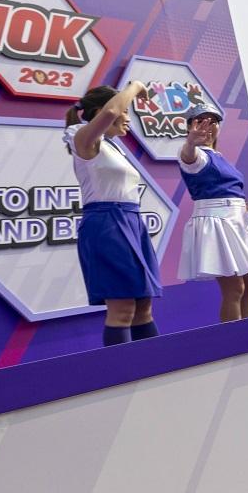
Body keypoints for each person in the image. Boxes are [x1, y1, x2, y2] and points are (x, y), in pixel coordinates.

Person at [65, 82, 162, 345]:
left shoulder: (114, 147)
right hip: (106, 223)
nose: (128, 118)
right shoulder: (82, 139)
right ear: (100, 110)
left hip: (132, 221)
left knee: (143, 308)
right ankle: (124, 376)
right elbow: (109, 114)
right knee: (122, 310)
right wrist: (135, 87)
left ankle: (154, 370)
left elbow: (111, 114)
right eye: (125, 110)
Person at [177, 107, 248, 321]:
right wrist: (190, 142)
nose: (207, 126)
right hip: (216, 224)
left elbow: (232, 201)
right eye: (200, 121)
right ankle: (234, 342)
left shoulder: (219, 157)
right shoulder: (195, 156)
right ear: (190, 127)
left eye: (213, 122)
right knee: (235, 288)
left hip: (239, 221)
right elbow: (188, 158)